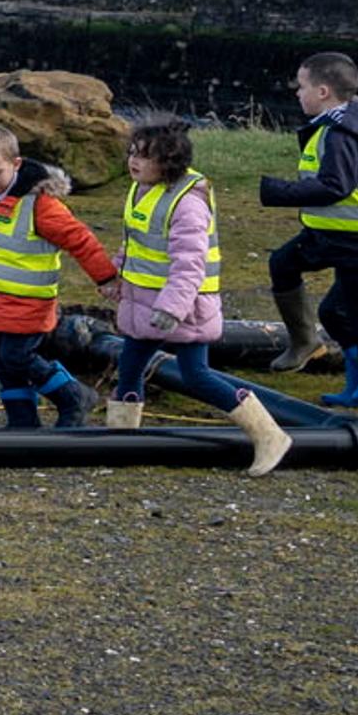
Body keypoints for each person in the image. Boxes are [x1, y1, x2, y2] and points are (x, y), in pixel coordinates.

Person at [106, 111, 290, 474]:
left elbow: (190, 262)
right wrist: (118, 275)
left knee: (196, 376)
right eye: (132, 152)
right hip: (145, 304)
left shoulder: (188, 202)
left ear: (168, 162)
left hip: (183, 311)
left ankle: (269, 434)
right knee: (128, 370)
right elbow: (138, 242)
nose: (134, 161)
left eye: (144, 155)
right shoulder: (143, 189)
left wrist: (173, 306)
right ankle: (121, 443)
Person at [261, 52, 358, 423]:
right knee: (286, 267)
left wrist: (276, 192)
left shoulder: (341, 132)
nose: (297, 94)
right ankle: (306, 342)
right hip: (335, 235)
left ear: (323, 90)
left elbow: (336, 186)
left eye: (301, 87)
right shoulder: (340, 120)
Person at [0, 125, 114, 429]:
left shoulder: (40, 205)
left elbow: (80, 240)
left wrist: (105, 278)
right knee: (1, 363)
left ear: (15, 164)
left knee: (17, 358)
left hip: (27, 302)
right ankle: (22, 422)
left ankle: (73, 395)